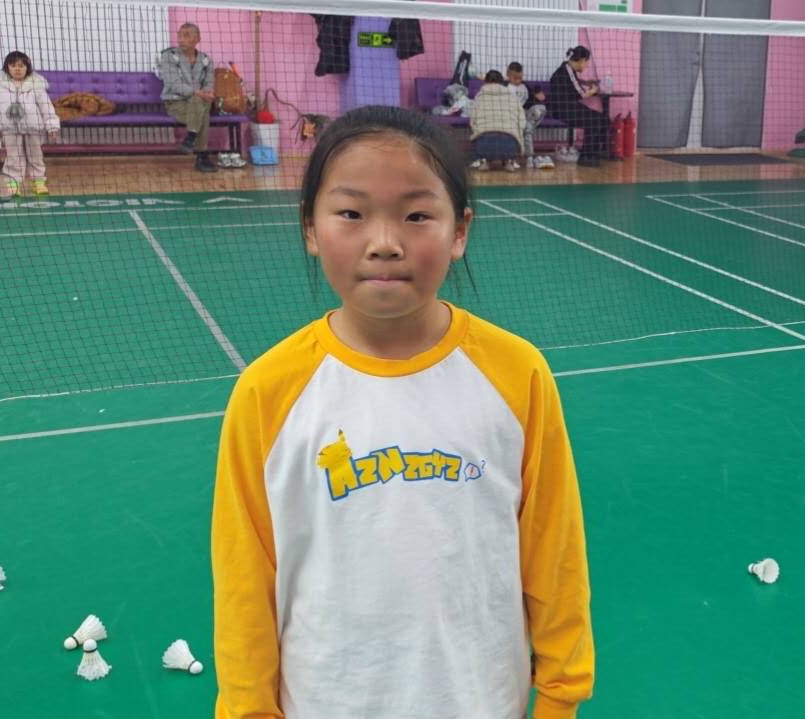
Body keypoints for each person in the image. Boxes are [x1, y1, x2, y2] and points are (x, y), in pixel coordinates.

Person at [211, 105, 594, 718]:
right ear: (310, 228)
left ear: (459, 231)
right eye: (351, 214)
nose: (385, 243)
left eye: (417, 216)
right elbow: (243, 579)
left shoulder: (517, 374)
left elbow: (555, 551)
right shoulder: (267, 391)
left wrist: (560, 696)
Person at [0, 51, 60, 196]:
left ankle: (39, 183)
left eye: (21, 66)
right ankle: (13, 184)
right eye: (13, 66)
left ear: (27, 68)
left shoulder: (36, 86)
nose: (17, 69)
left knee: (35, 156)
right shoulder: (0, 88)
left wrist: (52, 125)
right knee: (13, 158)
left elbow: (46, 107)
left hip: (33, 128)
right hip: (9, 129)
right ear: (7, 68)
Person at [157, 22, 218, 172]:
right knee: (202, 112)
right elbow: (173, 84)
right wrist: (198, 93)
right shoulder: (168, 56)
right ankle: (201, 156)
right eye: (179, 35)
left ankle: (190, 138)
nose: (181, 39)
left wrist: (208, 93)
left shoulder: (206, 60)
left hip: (198, 102)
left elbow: (209, 83)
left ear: (197, 39)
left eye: (186, 35)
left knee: (200, 102)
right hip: (175, 103)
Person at [548, 45, 610, 167]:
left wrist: (586, 83)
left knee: (603, 118)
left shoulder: (567, 70)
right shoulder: (566, 71)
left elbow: (573, 85)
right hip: (563, 110)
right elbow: (581, 93)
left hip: (570, 107)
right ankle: (585, 156)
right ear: (582, 60)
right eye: (587, 63)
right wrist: (594, 90)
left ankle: (596, 152)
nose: (587, 66)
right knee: (594, 120)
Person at [469, 69, 525, 171]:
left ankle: (484, 160)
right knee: (508, 137)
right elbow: (522, 123)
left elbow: (473, 123)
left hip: (483, 145)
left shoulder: (479, 98)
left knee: (479, 135)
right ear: (502, 83)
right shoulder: (512, 98)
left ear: (485, 82)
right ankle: (509, 161)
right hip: (510, 145)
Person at [508, 60, 553, 169]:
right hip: (511, 115)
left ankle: (529, 153)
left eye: (520, 78)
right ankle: (529, 156)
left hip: (526, 114)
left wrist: (540, 99)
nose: (518, 81)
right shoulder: (505, 87)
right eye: (515, 78)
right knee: (527, 128)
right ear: (508, 75)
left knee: (540, 109)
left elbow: (532, 102)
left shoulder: (525, 87)